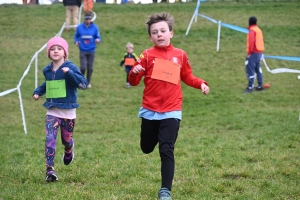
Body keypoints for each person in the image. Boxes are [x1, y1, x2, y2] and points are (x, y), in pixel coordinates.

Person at [128, 12, 210, 200]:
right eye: (155, 32)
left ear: (171, 33)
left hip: (172, 110)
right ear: (150, 36)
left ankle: (165, 190)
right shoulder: (146, 55)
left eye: (163, 31)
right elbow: (133, 81)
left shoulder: (180, 55)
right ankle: (158, 135)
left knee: (166, 149)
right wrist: (135, 71)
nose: (159, 34)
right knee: (147, 147)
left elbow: (188, 76)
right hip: (150, 110)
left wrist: (201, 84)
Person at [32, 37, 88, 182]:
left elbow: (83, 84)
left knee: (66, 140)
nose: (55, 51)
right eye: (52, 49)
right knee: (50, 138)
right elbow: (47, 83)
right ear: (48, 53)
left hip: (68, 112)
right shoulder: (47, 70)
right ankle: (50, 170)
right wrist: (38, 91)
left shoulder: (71, 67)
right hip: (52, 110)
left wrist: (69, 73)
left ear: (65, 52)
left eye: (59, 48)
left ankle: (69, 149)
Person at [74, 12, 101, 88]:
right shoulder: (80, 27)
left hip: (91, 50)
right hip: (83, 50)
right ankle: (80, 80)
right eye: (86, 19)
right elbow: (76, 36)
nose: (88, 21)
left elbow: (98, 36)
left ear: (91, 19)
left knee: (90, 68)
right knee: (83, 67)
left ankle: (88, 82)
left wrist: (98, 40)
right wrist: (76, 41)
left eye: (89, 19)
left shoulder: (95, 27)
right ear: (85, 19)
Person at [244, 16, 265, 93]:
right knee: (258, 69)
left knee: (250, 70)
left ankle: (250, 87)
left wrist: (249, 53)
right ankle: (260, 85)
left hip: (253, 53)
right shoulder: (258, 29)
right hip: (259, 53)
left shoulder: (252, 31)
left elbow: (251, 43)